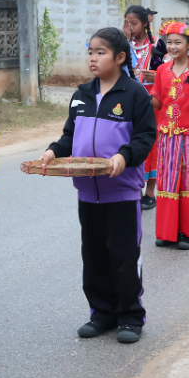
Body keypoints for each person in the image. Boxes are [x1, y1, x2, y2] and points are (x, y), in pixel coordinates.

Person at [37, 27, 155, 344]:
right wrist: (53, 151)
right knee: (94, 258)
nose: (93, 58)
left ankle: (130, 316)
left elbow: (145, 136)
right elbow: (69, 135)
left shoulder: (135, 94)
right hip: (88, 194)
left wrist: (123, 156)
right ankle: (102, 314)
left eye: (100, 52)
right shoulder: (82, 95)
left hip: (122, 192)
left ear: (120, 57)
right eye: (90, 52)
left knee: (124, 258)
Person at [150, 21, 189, 250]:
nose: (172, 46)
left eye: (178, 42)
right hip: (166, 136)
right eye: (169, 42)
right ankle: (167, 232)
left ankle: (188, 233)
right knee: (167, 180)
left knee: (188, 181)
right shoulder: (161, 70)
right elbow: (158, 103)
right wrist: (140, 91)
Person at [123, 5, 166, 211]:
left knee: (151, 145)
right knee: (130, 142)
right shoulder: (122, 45)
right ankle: (135, 190)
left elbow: (170, 72)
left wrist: (157, 76)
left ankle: (150, 192)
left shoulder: (158, 45)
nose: (130, 27)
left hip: (152, 102)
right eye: (127, 23)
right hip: (128, 102)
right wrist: (123, 41)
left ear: (145, 23)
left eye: (134, 23)